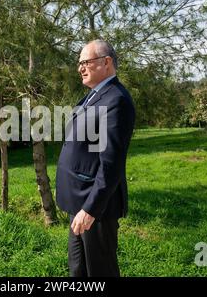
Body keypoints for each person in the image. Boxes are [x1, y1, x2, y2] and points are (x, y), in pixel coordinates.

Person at [55, 39, 135, 277]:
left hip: (96, 205)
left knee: (100, 271)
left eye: (86, 62)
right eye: (79, 63)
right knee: (78, 269)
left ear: (106, 62)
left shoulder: (116, 100)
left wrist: (90, 209)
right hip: (79, 200)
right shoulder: (94, 95)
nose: (80, 68)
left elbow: (111, 163)